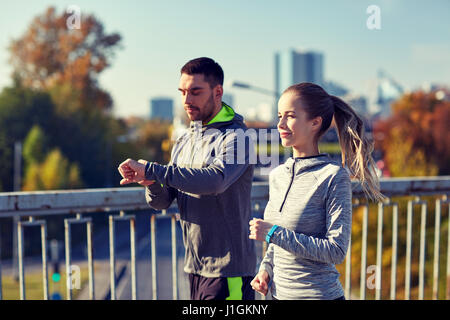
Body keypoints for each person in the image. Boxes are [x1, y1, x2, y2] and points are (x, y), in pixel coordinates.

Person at [118, 57, 256, 300]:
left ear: (218, 92)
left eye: (195, 92)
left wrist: (152, 170)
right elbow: (162, 201)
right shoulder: (184, 141)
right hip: (195, 267)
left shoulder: (238, 137)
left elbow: (215, 180)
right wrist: (151, 183)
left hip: (229, 270)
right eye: (182, 92)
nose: (186, 100)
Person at [248, 82, 384, 300]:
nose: (280, 123)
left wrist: (273, 232)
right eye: (279, 115)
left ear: (315, 122)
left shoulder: (333, 177)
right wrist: (266, 270)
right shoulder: (277, 176)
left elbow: (336, 250)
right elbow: (276, 243)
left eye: (290, 116)